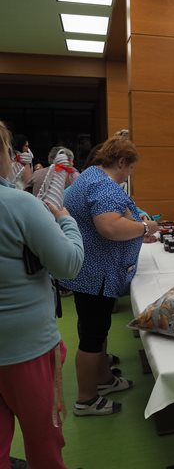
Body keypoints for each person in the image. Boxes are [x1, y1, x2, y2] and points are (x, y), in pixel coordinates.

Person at [0, 120, 84, 469]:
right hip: (26, 348)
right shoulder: (18, 204)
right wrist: (66, 220)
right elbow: (68, 264)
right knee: (43, 442)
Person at [60, 135, 160, 416]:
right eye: (130, 168)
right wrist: (144, 228)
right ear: (121, 162)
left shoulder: (90, 176)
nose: (129, 175)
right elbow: (110, 227)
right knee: (92, 336)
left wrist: (135, 227)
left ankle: (103, 379)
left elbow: (114, 218)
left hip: (89, 270)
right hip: (96, 273)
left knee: (98, 328)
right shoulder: (103, 185)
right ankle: (86, 399)